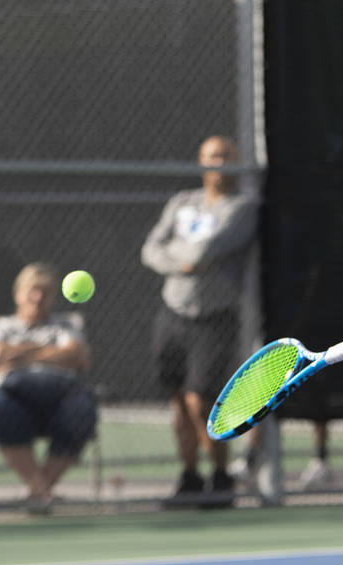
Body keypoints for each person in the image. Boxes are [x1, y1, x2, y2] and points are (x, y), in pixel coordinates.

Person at [141, 135, 259, 506]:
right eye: (211, 156)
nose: (218, 162)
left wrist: (180, 255)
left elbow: (210, 249)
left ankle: (221, 478)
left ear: (235, 162)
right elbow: (151, 248)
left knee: (201, 402)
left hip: (214, 317)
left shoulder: (243, 206)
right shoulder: (181, 202)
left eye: (225, 156)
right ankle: (190, 478)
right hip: (172, 313)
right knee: (178, 402)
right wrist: (183, 261)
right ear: (200, 161)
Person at [0, 263, 97, 511]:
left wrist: (18, 354)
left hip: (58, 399)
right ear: (18, 293)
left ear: (53, 296)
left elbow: (79, 358)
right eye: (32, 290)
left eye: (45, 292)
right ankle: (41, 491)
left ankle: (37, 493)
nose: (37, 297)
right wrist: (52, 353)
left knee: (82, 409)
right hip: (12, 398)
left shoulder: (65, 326)